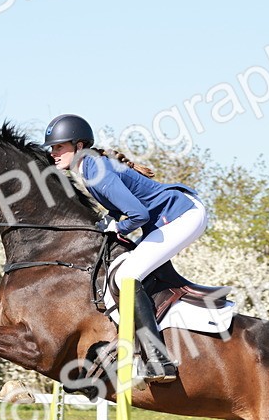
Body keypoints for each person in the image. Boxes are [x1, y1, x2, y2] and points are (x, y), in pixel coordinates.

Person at [44, 113, 207, 384]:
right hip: (166, 218)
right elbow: (122, 209)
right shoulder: (88, 168)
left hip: (182, 214)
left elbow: (138, 215)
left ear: (79, 146)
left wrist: (116, 228)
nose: (53, 153)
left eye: (59, 146)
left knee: (127, 276)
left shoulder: (95, 170)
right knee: (130, 270)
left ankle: (159, 360)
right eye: (52, 148)